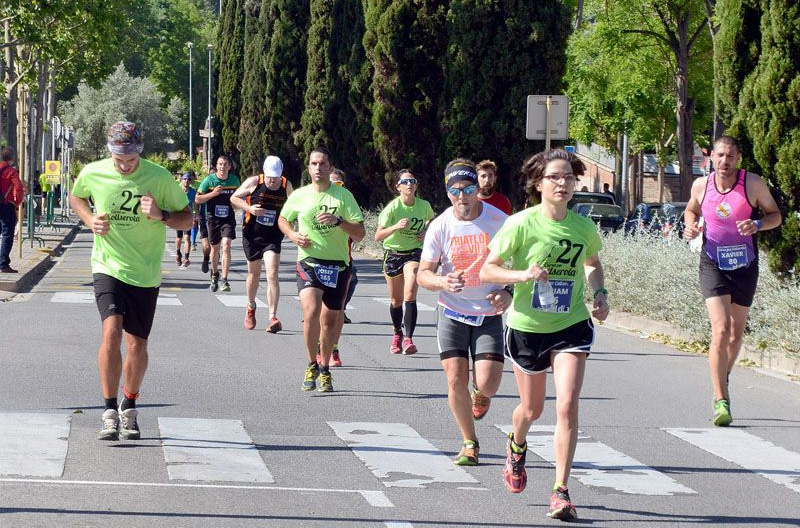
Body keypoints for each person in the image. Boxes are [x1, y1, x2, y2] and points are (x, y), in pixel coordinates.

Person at [479, 148, 609, 521]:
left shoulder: (583, 227)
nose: (563, 183)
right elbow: (489, 269)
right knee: (532, 409)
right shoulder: (520, 224)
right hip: (527, 328)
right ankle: (516, 445)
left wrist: (599, 294)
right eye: (555, 177)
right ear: (539, 183)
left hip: (570, 324)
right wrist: (521, 277)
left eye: (569, 177)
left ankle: (561, 490)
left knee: (566, 404)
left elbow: (592, 263)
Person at [69, 121, 192, 441]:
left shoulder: (159, 178)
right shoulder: (94, 171)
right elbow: (76, 196)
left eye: (131, 160)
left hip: (145, 272)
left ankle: (129, 405)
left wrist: (162, 216)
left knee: (137, 344)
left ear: (140, 153)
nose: (124, 166)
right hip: (107, 265)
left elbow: (188, 217)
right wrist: (89, 220)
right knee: (111, 331)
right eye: (118, 159)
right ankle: (109, 410)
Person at [417, 158, 511, 467]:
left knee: (488, 383)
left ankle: (481, 395)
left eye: (468, 189)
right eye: (456, 190)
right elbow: (423, 274)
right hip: (452, 311)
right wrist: (442, 280)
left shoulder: (499, 221)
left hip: (488, 313)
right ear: (447, 192)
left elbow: (519, 266)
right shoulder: (440, 225)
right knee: (455, 378)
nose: (463, 197)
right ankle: (469, 442)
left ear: (478, 189)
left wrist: (508, 293)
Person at [683, 136, 781, 427]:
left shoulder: (752, 184)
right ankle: (720, 399)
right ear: (712, 157)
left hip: (745, 265)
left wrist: (758, 224)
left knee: (736, 333)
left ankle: (722, 375)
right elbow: (691, 209)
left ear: (739, 159)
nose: (725, 161)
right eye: (720, 155)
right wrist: (690, 225)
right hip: (713, 262)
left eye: (731, 156)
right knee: (721, 328)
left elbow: (776, 215)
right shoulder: (702, 185)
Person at [278, 147, 365, 392]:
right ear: (309, 168)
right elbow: (283, 219)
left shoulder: (343, 197)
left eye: (322, 163)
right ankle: (310, 363)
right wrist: (293, 234)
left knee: (329, 321)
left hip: (338, 266)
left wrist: (339, 222)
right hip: (309, 262)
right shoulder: (300, 196)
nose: (318, 168)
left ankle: (325, 367)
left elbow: (359, 233)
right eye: (314, 163)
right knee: (311, 310)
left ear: (329, 167)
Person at [230, 155, 293, 333]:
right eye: (270, 177)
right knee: (254, 275)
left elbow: (295, 204)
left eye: (276, 177)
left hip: (273, 236)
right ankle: (250, 306)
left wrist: (292, 224)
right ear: (265, 174)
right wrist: (250, 208)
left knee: (272, 273)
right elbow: (234, 198)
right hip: (252, 235)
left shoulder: (285, 185)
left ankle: (272, 316)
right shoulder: (254, 182)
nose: (273, 181)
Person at [375, 168, 434, 354]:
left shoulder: (423, 206)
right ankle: (397, 333)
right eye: (405, 182)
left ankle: (408, 339)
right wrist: (395, 227)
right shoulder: (393, 208)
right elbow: (378, 235)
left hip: (414, 253)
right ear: (398, 187)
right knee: (396, 300)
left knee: (410, 294)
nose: (410, 184)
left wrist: (427, 231)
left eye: (413, 181)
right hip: (393, 254)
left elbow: (433, 221)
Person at [195, 155, 240, 292]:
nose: (222, 167)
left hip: (228, 218)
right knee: (215, 249)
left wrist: (236, 204)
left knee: (226, 245)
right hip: (213, 218)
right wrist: (213, 194)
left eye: (225, 164)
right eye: (220, 164)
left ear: (229, 167)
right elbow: (197, 199)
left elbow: (238, 199)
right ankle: (214, 274)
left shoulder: (234, 180)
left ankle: (225, 280)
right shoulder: (209, 180)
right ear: (216, 166)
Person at [330, 168, 357, 327]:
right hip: (320, 256)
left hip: (343, 256)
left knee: (352, 279)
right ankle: (314, 312)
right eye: (331, 183)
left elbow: (357, 233)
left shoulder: (348, 205)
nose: (335, 186)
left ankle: (340, 309)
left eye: (338, 183)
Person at [0, 147, 24, 273]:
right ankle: (3, 264)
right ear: (12, 158)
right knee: (7, 234)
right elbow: (19, 188)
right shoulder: (11, 171)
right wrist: (17, 202)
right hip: (6, 205)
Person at [175, 172, 197, 268]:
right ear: (181, 180)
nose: (186, 181)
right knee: (179, 237)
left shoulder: (193, 191)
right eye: (185, 179)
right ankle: (178, 253)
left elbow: (195, 203)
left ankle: (187, 257)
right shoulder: (178, 190)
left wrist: (196, 213)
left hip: (188, 216)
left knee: (187, 237)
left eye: (188, 179)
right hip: (179, 216)